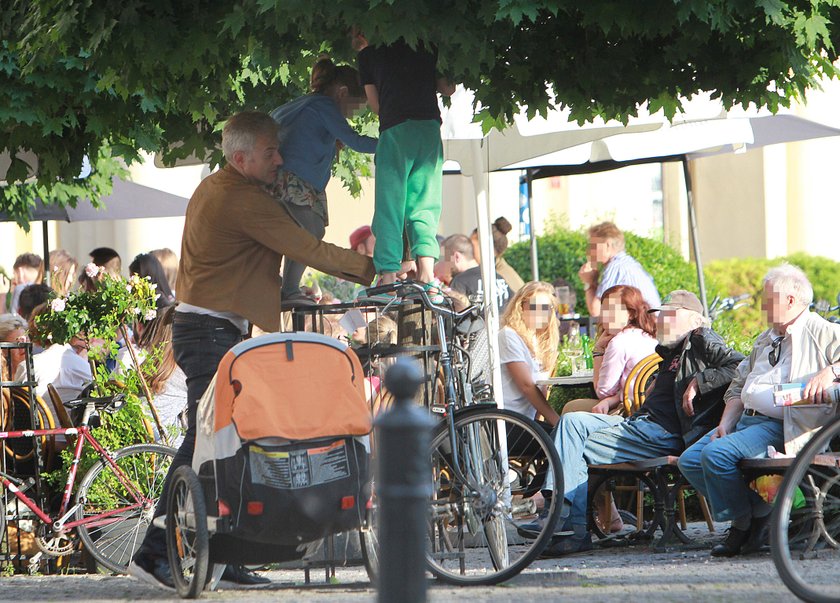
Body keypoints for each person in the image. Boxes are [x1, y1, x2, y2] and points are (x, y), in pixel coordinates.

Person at [128, 111, 375, 590]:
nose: (279, 159)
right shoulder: (243, 200)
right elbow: (308, 248)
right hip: (209, 333)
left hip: (210, 328)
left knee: (229, 441)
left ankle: (223, 553)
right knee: (206, 440)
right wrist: (376, 269)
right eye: (270, 153)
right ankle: (157, 550)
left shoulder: (216, 186)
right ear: (241, 158)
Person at [530, 290, 743, 556]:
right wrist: (615, 399)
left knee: (571, 437)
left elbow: (739, 365)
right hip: (641, 426)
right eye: (660, 315)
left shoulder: (700, 337)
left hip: (661, 433)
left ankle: (563, 522)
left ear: (693, 320)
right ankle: (565, 524)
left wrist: (697, 384)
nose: (662, 320)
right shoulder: (671, 351)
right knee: (571, 427)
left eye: (670, 315)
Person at [678, 264, 840, 558]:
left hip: (782, 425)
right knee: (689, 460)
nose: (762, 305)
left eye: (768, 298)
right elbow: (738, 386)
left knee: (715, 456)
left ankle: (741, 525)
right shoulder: (766, 339)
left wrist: (831, 371)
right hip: (745, 422)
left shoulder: (821, 331)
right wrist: (725, 422)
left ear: (790, 300)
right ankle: (761, 514)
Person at [269, 57, 377, 304]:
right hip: (295, 181)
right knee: (310, 234)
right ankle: (289, 290)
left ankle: (287, 288)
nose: (352, 115)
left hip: (288, 180)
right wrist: (393, 143)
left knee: (302, 234)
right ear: (342, 93)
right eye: (354, 108)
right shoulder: (324, 106)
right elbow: (357, 141)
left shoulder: (305, 105)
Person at [356, 32, 455, 293]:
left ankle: (388, 277)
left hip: (395, 129)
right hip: (429, 128)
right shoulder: (428, 40)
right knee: (425, 204)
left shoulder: (368, 54)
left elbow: (376, 105)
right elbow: (448, 88)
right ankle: (426, 273)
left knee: (390, 205)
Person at [562, 285, 658, 415]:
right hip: (651, 407)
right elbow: (629, 388)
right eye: (604, 310)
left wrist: (598, 351)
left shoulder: (619, 342)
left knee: (571, 408)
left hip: (629, 411)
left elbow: (603, 392)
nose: (605, 316)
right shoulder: (651, 338)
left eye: (612, 310)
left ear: (631, 313)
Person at [498, 281, 561, 428]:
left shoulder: (539, 340)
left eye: (545, 308)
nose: (540, 313)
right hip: (507, 423)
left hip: (527, 423)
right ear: (520, 307)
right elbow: (527, 386)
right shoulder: (509, 335)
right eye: (534, 307)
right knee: (566, 436)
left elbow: (541, 388)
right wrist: (557, 422)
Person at [578, 222, 660, 317]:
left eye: (593, 246)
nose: (589, 251)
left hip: (645, 327)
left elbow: (597, 311)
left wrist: (589, 283)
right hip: (649, 326)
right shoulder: (627, 263)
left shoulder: (615, 267)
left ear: (607, 245)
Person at [445, 234, 513, 310]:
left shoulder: (459, 282)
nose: (444, 266)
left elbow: (456, 316)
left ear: (456, 257)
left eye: (445, 260)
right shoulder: (497, 277)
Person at [470, 217, 526, 293]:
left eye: (470, 244)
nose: (467, 248)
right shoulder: (499, 269)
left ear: (485, 247)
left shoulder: (498, 278)